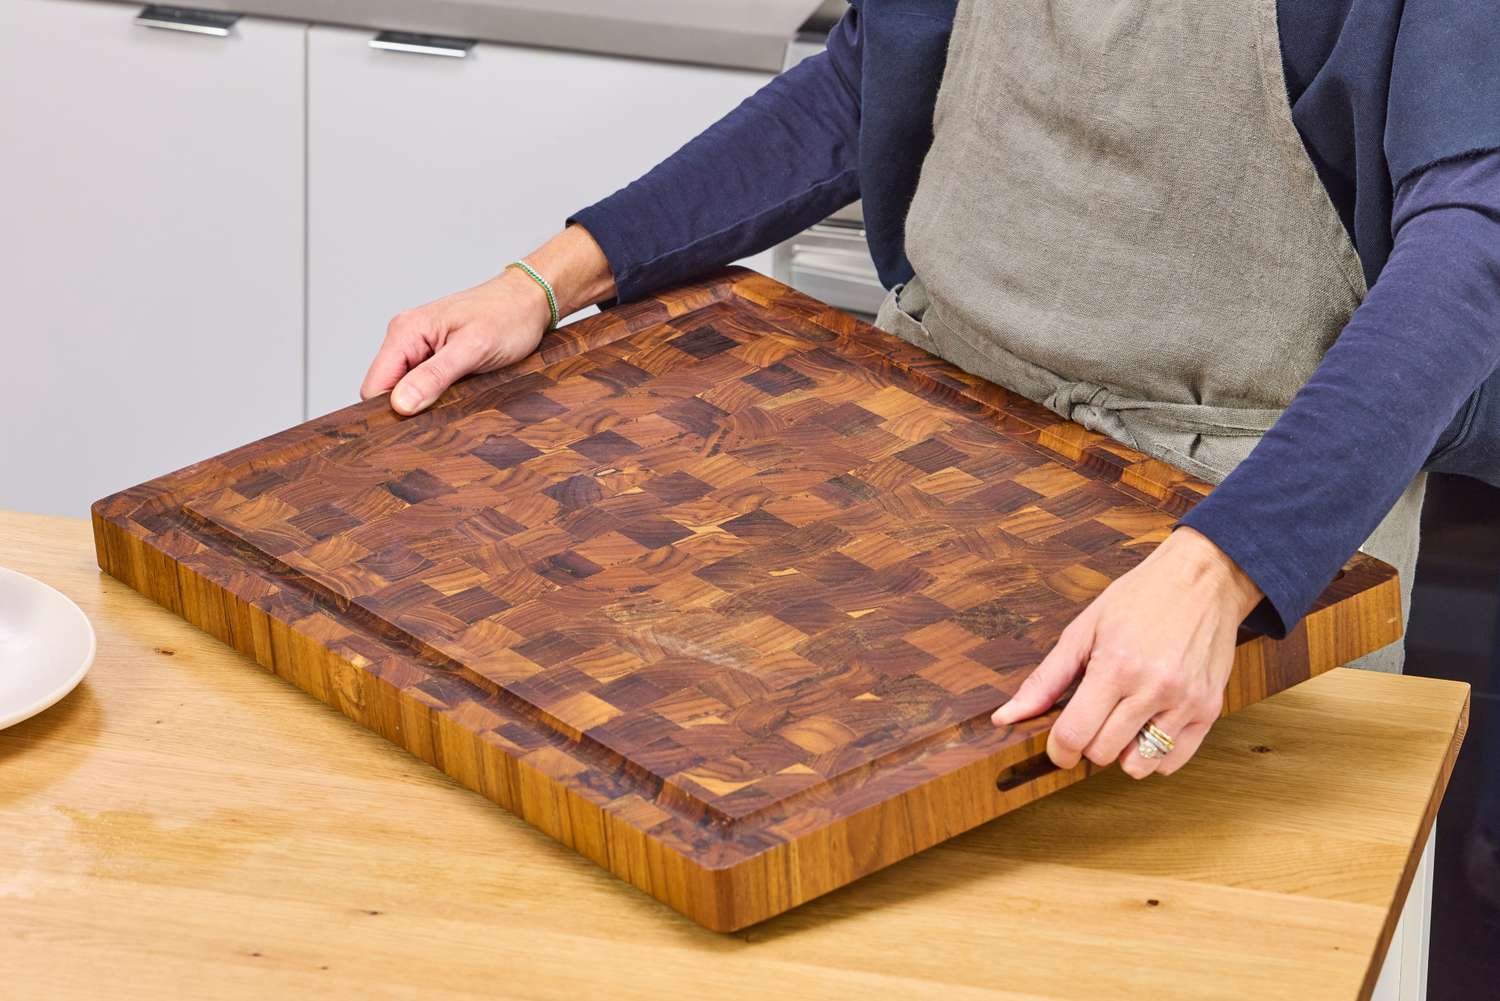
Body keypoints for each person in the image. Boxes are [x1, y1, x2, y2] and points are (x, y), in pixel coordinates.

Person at [361, 0, 1500, 780]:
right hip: (923, 458)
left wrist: (1224, 572)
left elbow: (1473, 241)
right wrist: (547, 279)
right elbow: (864, 82)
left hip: (1239, 518)